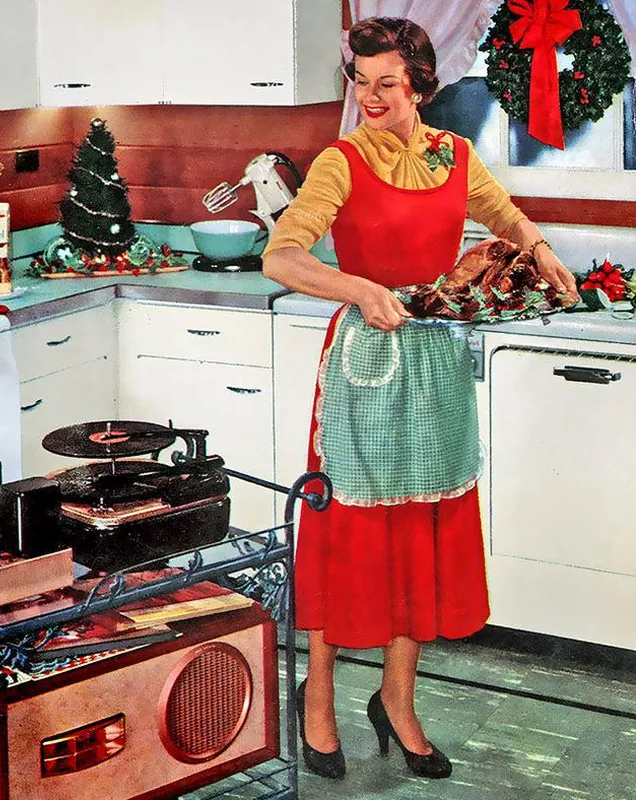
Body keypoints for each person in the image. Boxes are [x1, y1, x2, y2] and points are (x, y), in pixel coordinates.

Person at [262, 16, 578, 782]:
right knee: (352, 538)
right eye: (360, 82)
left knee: (420, 534)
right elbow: (283, 254)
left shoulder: (454, 154)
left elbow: (502, 214)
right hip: (366, 363)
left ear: (420, 87)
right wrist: (358, 288)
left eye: (386, 83)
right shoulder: (342, 162)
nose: (369, 98)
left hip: (433, 359)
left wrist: (539, 248)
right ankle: (319, 698)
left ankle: (397, 701)